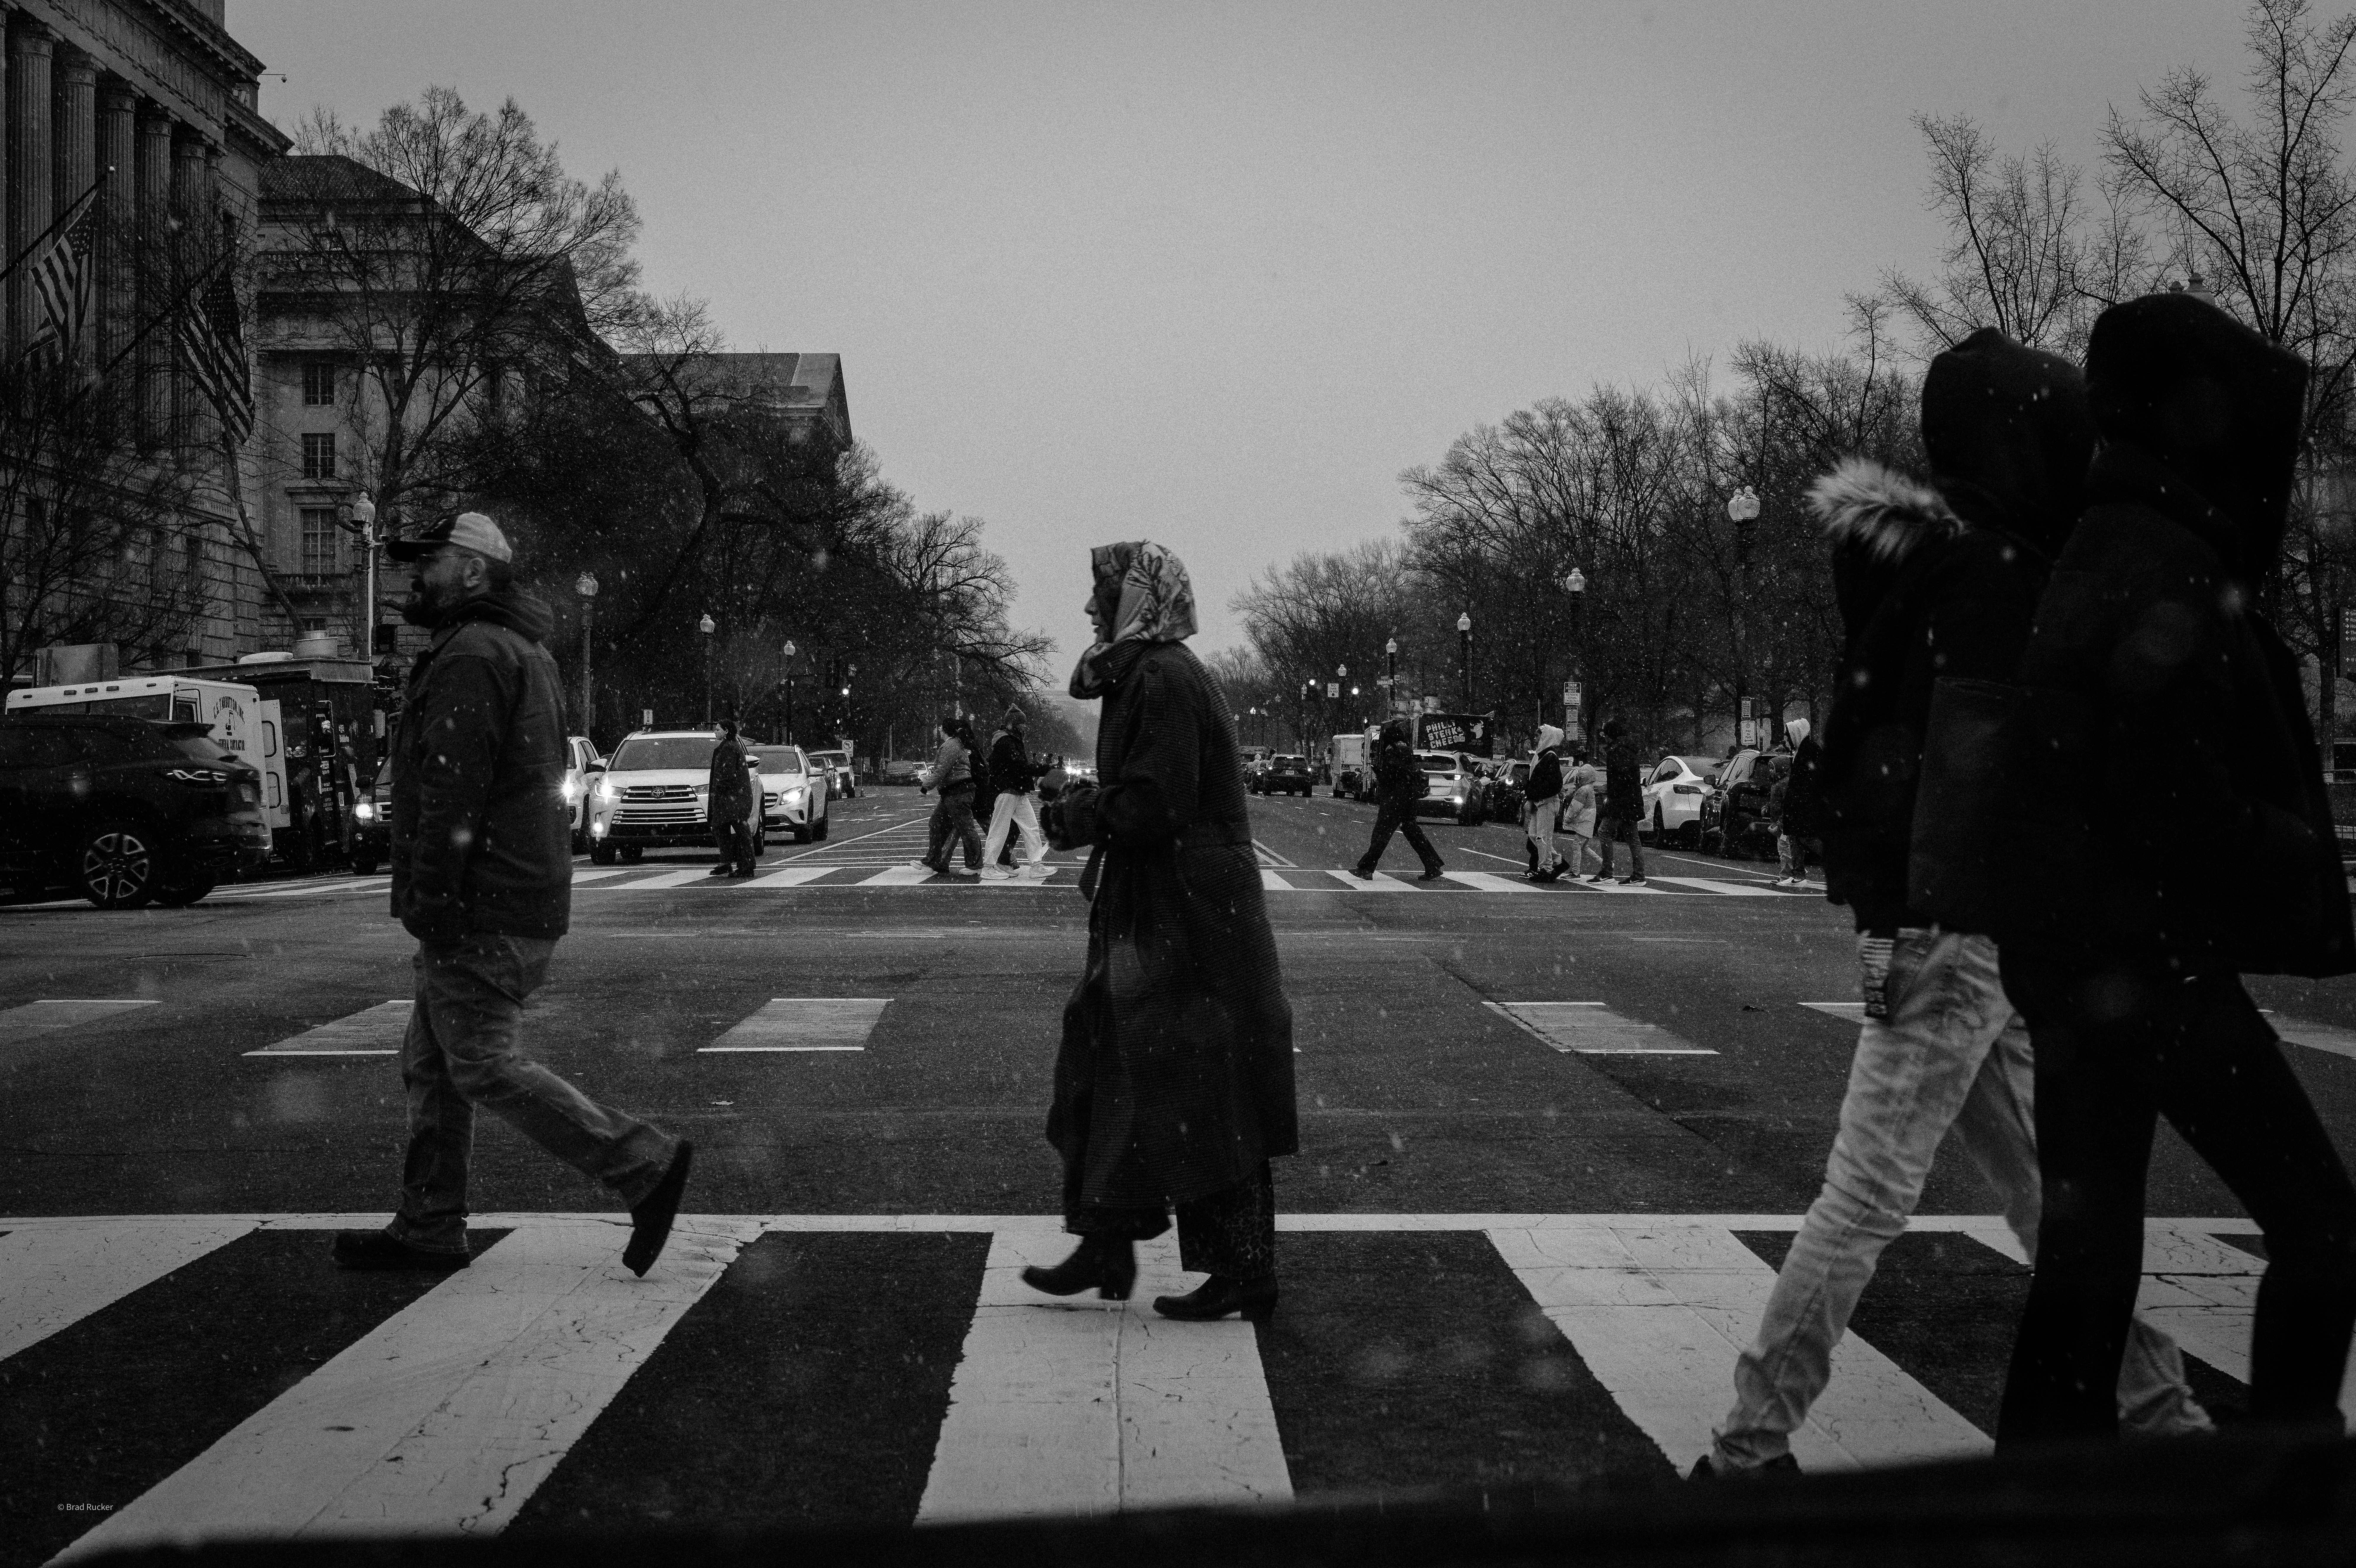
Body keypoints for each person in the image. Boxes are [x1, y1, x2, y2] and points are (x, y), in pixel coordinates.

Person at [1694, 331, 2209, 1480]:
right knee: (1869, 1198)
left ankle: (2165, 1418)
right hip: (1962, 929)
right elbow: (1983, 771)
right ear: (2019, 441)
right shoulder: (1992, 580)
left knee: (2049, 1199)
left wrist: (1892, 907)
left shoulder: (1927, 574)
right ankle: (1742, 1456)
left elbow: (1867, 761)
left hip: (1939, 924)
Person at [1993, 295, 2356, 1447]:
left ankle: (2035, 1496)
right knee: (2321, 1228)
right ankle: (2278, 1496)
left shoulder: (2101, 542)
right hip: (2146, 957)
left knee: (2089, 1258)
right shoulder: (2167, 561)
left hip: (2075, 951)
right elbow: (2171, 803)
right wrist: (2289, 849)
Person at [334, 512, 692, 1279]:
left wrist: (433, 899)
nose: (411, 579)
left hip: (484, 902)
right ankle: (429, 1223)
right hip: (509, 892)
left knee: (484, 1063)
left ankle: (642, 1164)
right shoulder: (513, 648)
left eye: (425, 564)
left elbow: (450, 795)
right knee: (434, 1064)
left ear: (469, 571)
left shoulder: (472, 655)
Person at [1029, 540, 1297, 1321]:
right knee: (1114, 1061)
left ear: (1136, 603)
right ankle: (1108, 1240)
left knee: (1204, 1085)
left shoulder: (1164, 677)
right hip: (1166, 905)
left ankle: (1244, 1267)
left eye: (1100, 596)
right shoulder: (1145, 674)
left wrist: (1076, 815)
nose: (1087, 609)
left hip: (1191, 915)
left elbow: (1157, 802)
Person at [1352, 717, 1444, 880]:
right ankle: (1432, 865)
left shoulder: (1391, 752)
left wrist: (1378, 772)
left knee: (1381, 835)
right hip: (1409, 800)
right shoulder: (1407, 751)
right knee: (1414, 834)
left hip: (1394, 800)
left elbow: (1389, 778)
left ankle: (1367, 868)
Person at [980, 703, 1050, 879]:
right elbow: (1019, 766)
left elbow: (1017, 765)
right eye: (1022, 724)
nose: (1025, 727)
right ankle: (989, 867)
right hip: (1008, 791)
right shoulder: (1007, 741)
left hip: (1013, 791)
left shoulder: (1009, 740)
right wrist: (1042, 770)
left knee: (1030, 827)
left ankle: (1036, 865)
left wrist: (1039, 769)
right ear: (1014, 724)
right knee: (1001, 830)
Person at [916, 714, 983, 881]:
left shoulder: (951, 746)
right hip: (955, 792)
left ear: (944, 730)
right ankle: (934, 861)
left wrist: (927, 785)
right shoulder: (957, 744)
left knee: (964, 828)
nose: (938, 731)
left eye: (940, 728)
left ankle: (974, 865)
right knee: (939, 823)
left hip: (957, 792)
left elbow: (942, 770)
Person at [1591, 719, 1646, 884]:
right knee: (1632, 837)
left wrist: (1609, 791)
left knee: (1604, 832)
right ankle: (1638, 875)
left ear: (1611, 735)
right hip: (1632, 800)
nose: (1605, 738)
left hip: (1621, 801)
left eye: (1605, 735)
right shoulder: (1629, 750)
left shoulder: (1618, 752)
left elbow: (1621, 778)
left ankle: (1607, 872)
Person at [1774, 719, 1823, 888]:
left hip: (1805, 806)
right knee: (1795, 839)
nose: (1786, 740)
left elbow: (1812, 782)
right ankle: (1798, 873)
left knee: (1806, 838)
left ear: (1795, 735)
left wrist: (1801, 802)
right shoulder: (1801, 752)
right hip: (1798, 806)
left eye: (1788, 736)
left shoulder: (1810, 752)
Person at [706, 716, 756, 878]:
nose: (715, 732)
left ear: (726, 732)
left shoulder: (729, 748)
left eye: (718, 729)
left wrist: (718, 792)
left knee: (734, 830)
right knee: (726, 829)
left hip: (732, 799)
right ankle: (732, 862)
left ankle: (743, 866)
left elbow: (726, 776)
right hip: (734, 798)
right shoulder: (729, 747)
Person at [1523, 724, 1566, 881]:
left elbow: (1555, 784)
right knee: (1535, 836)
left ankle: (1546, 869)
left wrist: (1537, 796)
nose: (1535, 738)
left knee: (1542, 837)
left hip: (1546, 803)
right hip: (1538, 802)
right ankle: (1556, 861)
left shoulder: (1550, 757)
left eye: (1538, 735)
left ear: (1546, 737)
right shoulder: (1542, 756)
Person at [1561, 752, 1599, 881]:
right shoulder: (1589, 788)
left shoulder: (1584, 790)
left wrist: (1568, 819)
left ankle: (1575, 873)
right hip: (1589, 822)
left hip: (1585, 823)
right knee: (1584, 847)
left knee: (1577, 846)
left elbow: (1575, 807)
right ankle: (1606, 864)